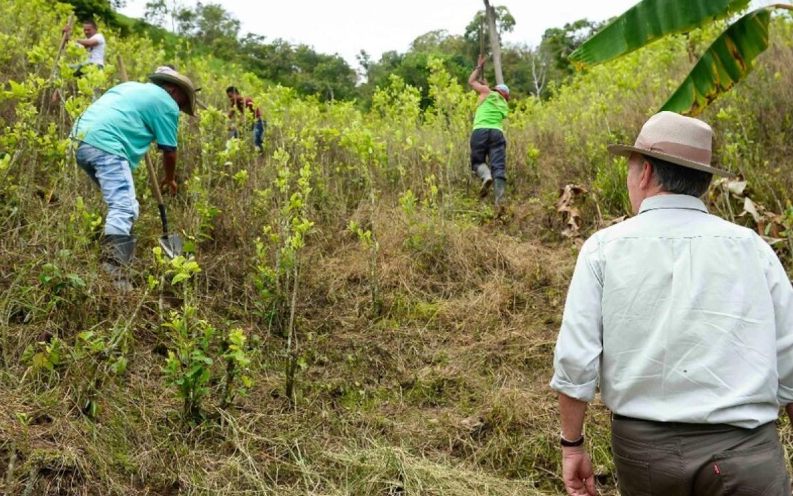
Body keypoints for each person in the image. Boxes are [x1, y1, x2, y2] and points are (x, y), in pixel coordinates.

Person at [550, 111, 793, 496]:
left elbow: (575, 360)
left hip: (645, 456)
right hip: (745, 455)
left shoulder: (603, 250)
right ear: (703, 182)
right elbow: (790, 360)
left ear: (644, 172)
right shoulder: (752, 249)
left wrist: (572, 446)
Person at [70, 67, 197, 287]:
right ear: (174, 91)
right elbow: (169, 150)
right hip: (107, 146)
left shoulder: (130, 87)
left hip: (80, 142)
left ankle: (113, 249)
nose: (179, 108)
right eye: (181, 103)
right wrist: (169, 178)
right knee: (125, 208)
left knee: (122, 206)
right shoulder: (167, 104)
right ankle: (115, 276)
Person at [468, 55, 509, 206]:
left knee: (477, 161)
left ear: (494, 89)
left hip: (480, 131)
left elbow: (471, 82)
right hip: (497, 133)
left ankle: (486, 176)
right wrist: (487, 86)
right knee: (498, 166)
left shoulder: (486, 92)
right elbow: (494, 96)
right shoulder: (504, 104)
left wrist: (479, 67)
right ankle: (500, 202)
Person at [226, 86, 264, 153]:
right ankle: (236, 152)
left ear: (236, 94)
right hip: (247, 122)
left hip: (256, 121)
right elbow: (229, 116)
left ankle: (260, 156)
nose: (230, 99)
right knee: (235, 134)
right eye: (229, 98)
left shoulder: (246, 101)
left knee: (257, 139)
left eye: (231, 96)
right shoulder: (234, 103)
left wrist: (236, 125)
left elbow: (246, 117)